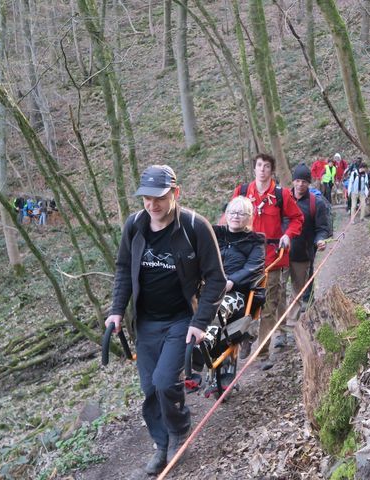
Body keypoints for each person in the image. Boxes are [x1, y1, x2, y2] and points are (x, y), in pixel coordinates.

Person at [105, 165, 226, 475]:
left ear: (176, 193)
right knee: (149, 388)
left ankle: (178, 432)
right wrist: (117, 310)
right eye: (146, 198)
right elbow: (123, 269)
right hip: (145, 322)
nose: (152, 205)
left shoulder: (194, 227)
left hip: (181, 320)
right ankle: (161, 444)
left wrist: (200, 322)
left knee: (164, 382)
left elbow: (215, 278)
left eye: (159, 197)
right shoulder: (135, 226)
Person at [232, 153, 303, 370]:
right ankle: (246, 335)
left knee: (270, 305)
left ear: (272, 171)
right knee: (244, 304)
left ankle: (262, 354)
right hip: (245, 259)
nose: (262, 169)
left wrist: (287, 235)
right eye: (259, 165)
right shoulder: (243, 192)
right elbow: (229, 216)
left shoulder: (281, 195)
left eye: (267, 166)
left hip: (273, 257)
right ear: (254, 169)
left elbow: (297, 218)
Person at [212, 196, 265, 356]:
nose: (236, 216)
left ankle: (214, 350)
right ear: (226, 215)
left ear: (249, 217)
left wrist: (232, 281)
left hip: (238, 292)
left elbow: (252, 267)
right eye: (232, 212)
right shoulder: (215, 233)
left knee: (216, 310)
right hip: (210, 287)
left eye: (241, 213)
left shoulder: (255, 241)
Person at [280, 164, 329, 336]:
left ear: (309, 183)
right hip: (280, 255)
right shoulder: (282, 198)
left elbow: (322, 228)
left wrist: (320, 240)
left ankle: (292, 329)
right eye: (298, 180)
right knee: (277, 293)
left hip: (303, 255)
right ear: (293, 181)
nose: (300, 184)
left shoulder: (316, 203)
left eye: (304, 181)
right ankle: (280, 333)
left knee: (297, 294)